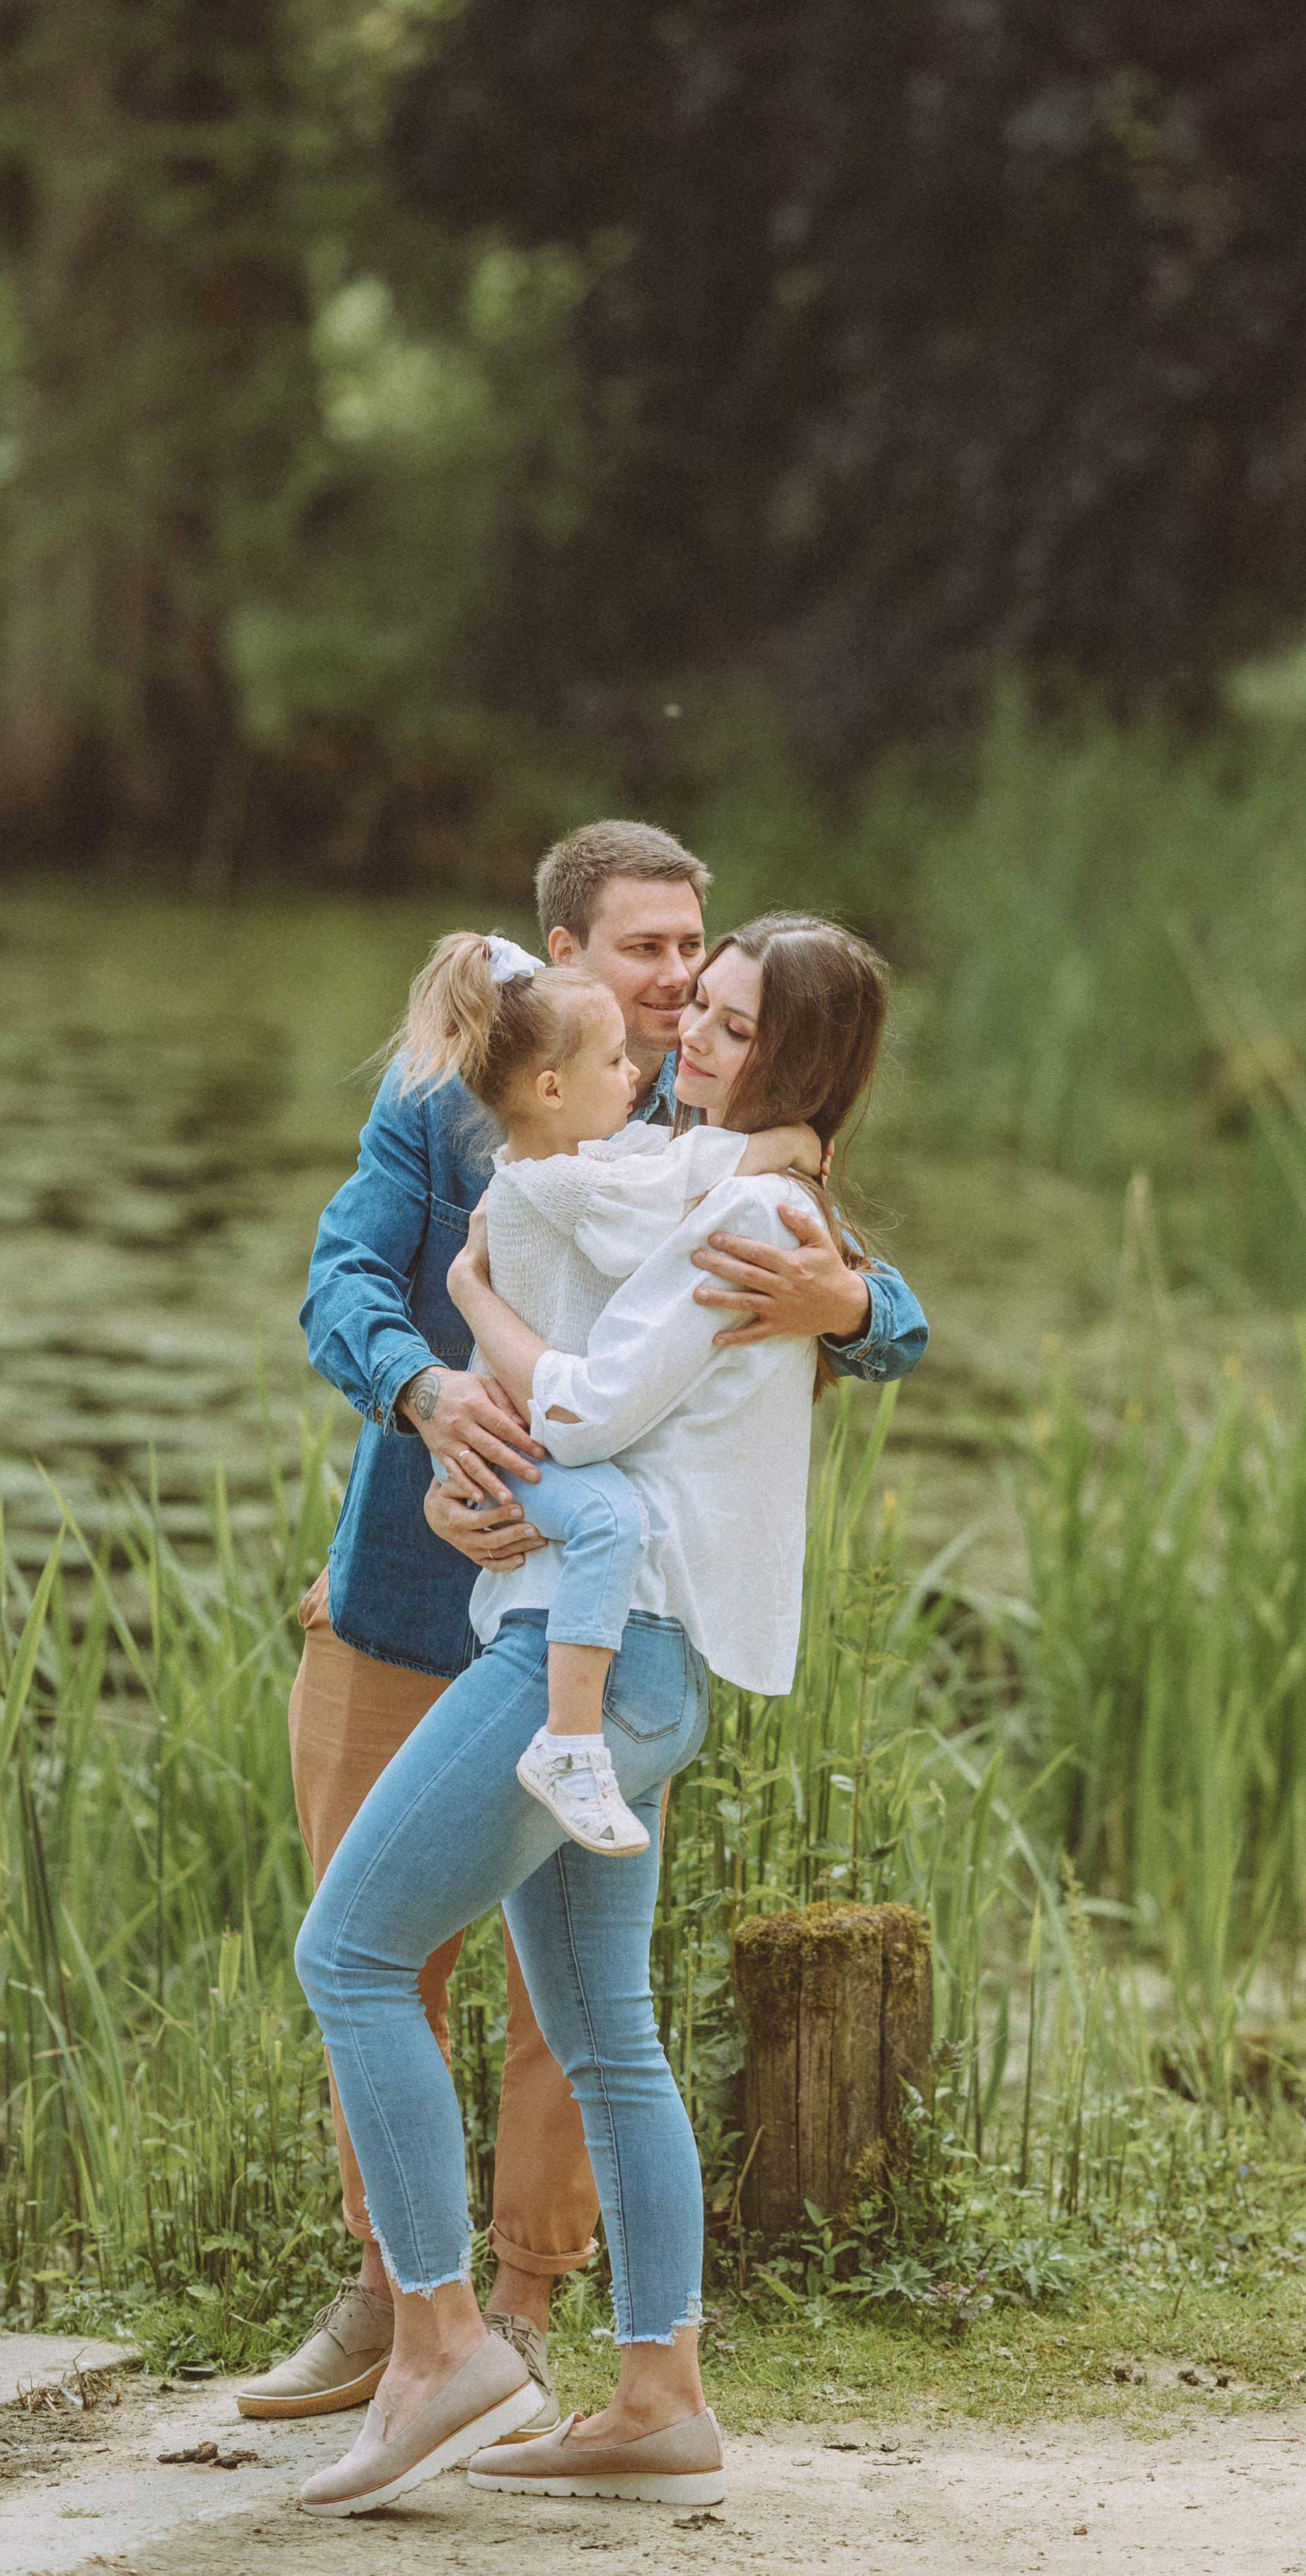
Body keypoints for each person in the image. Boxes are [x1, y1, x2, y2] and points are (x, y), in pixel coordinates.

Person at [237, 821, 927, 2425]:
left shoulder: (696, 1131)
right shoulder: (444, 1107)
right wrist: (424, 1396)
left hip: (584, 1620)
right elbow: (339, 1284)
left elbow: (842, 1279)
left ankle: (518, 2313)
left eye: (696, 958)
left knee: (563, 2018)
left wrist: (853, 1309)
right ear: (561, 960)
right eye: (647, 955)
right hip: (403, 1591)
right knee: (378, 1958)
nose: (677, 991)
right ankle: (391, 2298)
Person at [397, 921, 821, 1852]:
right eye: (617, 1062)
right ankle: (572, 1740)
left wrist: (849, 1297)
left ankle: (572, 1736)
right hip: (526, 1439)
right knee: (611, 1521)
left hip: (531, 1439)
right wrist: (774, 1146)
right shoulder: (555, 1187)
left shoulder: (576, 1165)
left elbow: (660, 1170)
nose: (642, 1076)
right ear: (551, 1089)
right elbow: (661, 1197)